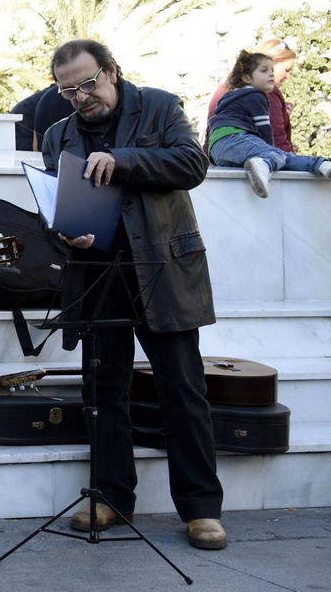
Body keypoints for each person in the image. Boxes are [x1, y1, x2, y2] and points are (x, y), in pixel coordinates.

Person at [42, 39, 227, 550]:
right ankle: (111, 496)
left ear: (112, 72)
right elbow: (54, 204)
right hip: (98, 276)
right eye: (67, 91)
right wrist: (62, 230)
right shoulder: (58, 136)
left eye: (87, 84)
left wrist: (121, 160)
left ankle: (201, 509)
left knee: (183, 391)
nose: (80, 98)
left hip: (162, 269)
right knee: (102, 395)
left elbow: (192, 164)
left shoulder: (161, 106)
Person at [206, 49, 330, 198]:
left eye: (272, 70)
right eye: (264, 71)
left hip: (217, 149)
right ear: (246, 78)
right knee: (278, 155)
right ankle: (265, 165)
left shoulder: (231, 96)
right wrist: (270, 151)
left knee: (282, 158)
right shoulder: (255, 95)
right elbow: (264, 127)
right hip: (236, 137)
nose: (271, 74)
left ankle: (321, 165)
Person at [208, 39, 298, 153]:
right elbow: (275, 136)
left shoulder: (231, 90)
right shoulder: (262, 92)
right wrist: (286, 162)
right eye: (286, 70)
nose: (287, 76)